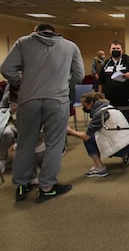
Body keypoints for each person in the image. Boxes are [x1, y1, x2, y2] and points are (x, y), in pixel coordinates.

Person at [0, 23, 85, 203]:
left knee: (24, 143)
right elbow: (79, 75)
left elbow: (6, 69)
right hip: (57, 100)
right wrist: (63, 84)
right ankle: (47, 187)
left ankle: (22, 184)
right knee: (54, 144)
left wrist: (21, 83)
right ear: (54, 31)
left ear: (35, 31)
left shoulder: (23, 42)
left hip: (28, 100)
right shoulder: (70, 46)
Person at [67, 91, 129, 177]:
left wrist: (70, 131)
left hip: (122, 146)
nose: (84, 108)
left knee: (88, 139)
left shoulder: (100, 114)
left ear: (91, 103)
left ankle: (100, 168)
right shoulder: (108, 106)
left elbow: (86, 136)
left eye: (84, 105)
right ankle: (125, 155)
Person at [98, 40, 129, 128]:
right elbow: (101, 81)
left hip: (127, 99)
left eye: (118, 48)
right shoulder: (106, 63)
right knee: (113, 122)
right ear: (110, 50)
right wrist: (100, 96)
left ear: (122, 50)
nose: (115, 50)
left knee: (128, 122)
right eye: (113, 48)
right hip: (111, 99)